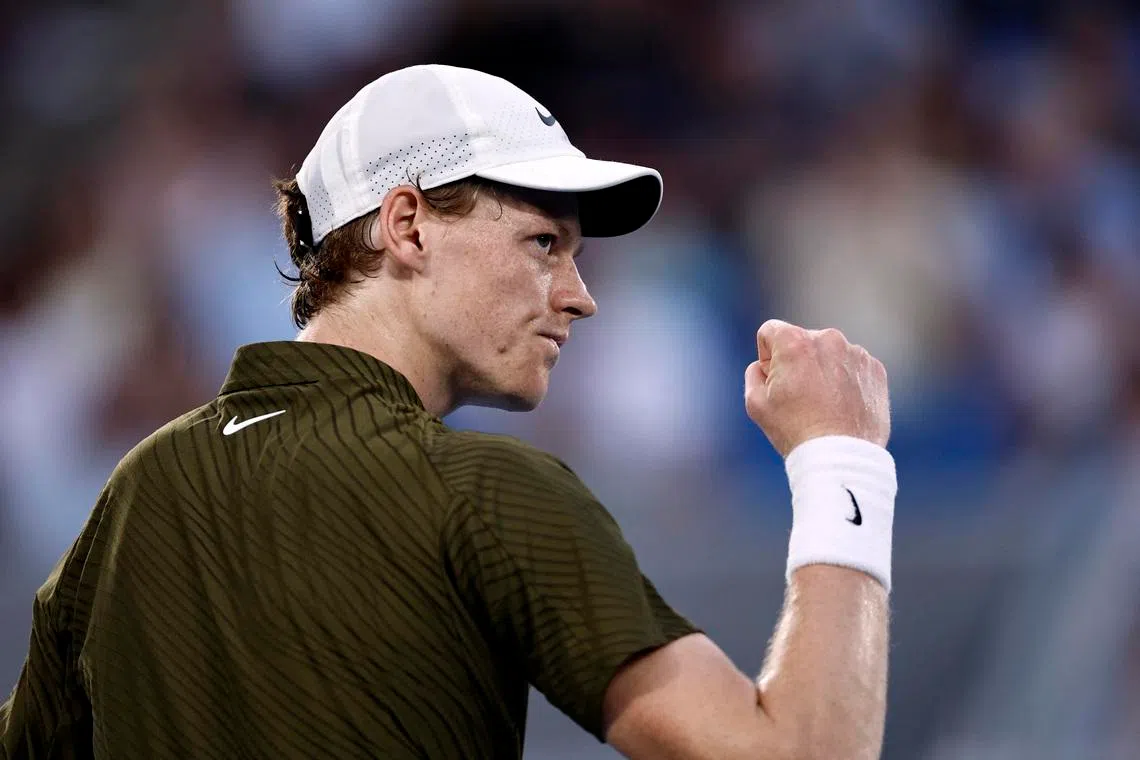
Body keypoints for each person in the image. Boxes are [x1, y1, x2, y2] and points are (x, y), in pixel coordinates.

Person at [0, 65, 895, 759]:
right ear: (408, 225)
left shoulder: (139, 492)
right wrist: (840, 458)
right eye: (544, 243)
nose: (579, 297)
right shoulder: (486, 494)